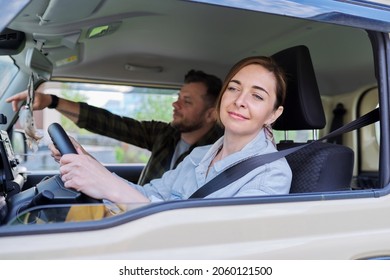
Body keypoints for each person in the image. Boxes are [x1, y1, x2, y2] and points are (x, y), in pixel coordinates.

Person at [56, 56, 292, 203]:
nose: (240, 100)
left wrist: (111, 187)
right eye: (233, 88)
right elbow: (149, 194)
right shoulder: (199, 155)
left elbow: (215, 242)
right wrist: (90, 165)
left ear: (273, 114)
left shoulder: (271, 174)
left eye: (257, 96)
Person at [6, 70, 224, 185]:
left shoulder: (221, 152)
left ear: (211, 113)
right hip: (138, 214)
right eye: (178, 97)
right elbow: (113, 124)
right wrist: (52, 101)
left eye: (187, 101)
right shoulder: (166, 134)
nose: (175, 104)